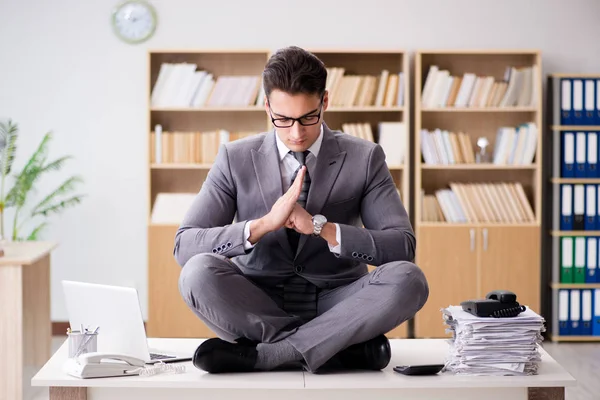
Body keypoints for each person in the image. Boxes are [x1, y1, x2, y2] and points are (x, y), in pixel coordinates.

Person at [174, 46, 429, 374]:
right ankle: (333, 348)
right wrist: (262, 225)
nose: (297, 133)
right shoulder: (234, 158)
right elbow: (185, 245)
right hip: (256, 304)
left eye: (308, 117)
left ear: (325, 101)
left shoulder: (365, 157)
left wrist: (323, 228)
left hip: (338, 302)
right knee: (196, 272)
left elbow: (402, 247)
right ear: (267, 107)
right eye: (283, 119)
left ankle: (269, 355)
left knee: (409, 280)